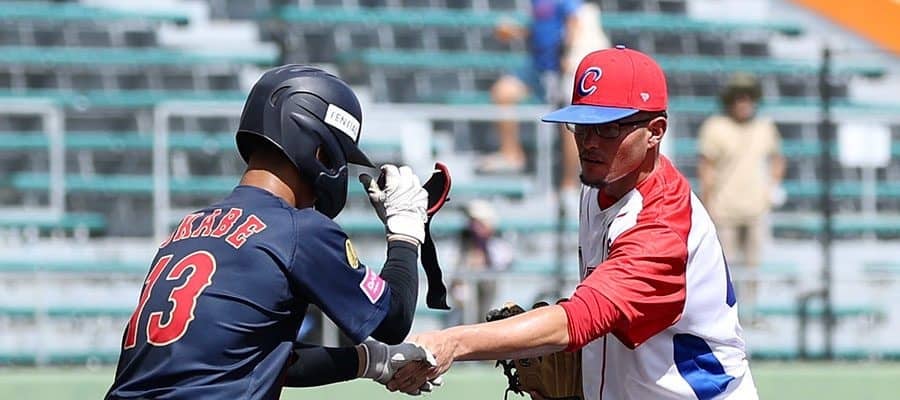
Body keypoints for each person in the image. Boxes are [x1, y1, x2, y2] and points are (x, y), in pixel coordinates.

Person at [389, 47, 759, 399]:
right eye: (581, 125)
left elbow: (578, 321)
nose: (589, 141)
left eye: (608, 128)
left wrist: (453, 341)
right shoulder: (601, 183)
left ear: (655, 131)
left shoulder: (660, 227)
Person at [106, 65, 436, 399]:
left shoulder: (187, 229)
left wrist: (371, 361)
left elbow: (251, 355)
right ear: (321, 151)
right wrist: (405, 231)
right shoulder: (299, 230)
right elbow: (393, 320)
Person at [697, 72, 786, 314]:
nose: (744, 102)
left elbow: (778, 159)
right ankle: (725, 314)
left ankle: (752, 313)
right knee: (723, 268)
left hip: (756, 209)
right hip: (724, 210)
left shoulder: (764, 127)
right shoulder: (716, 127)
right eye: (738, 97)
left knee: (754, 267)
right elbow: (706, 168)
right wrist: (708, 205)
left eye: (748, 97)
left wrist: (772, 189)